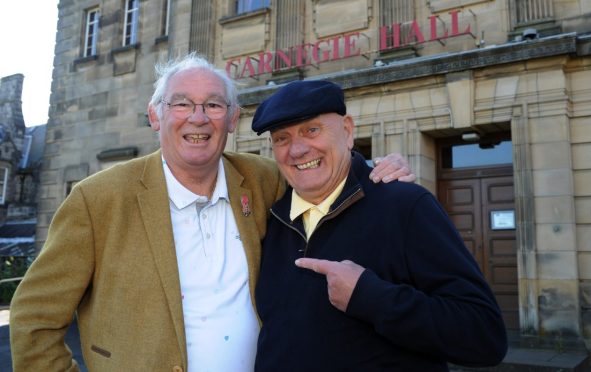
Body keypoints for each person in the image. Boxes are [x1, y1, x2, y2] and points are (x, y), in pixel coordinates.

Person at [9, 53, 413, 372]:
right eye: (181, 103)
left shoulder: (263, 179)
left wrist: (373, 169)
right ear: (155, 115)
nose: (198, 118)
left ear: (233, 120)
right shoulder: (97, 199)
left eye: (214, 105)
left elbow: (324, 172)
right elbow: (33, 317)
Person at [251, 80, 508, 371]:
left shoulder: (405, 205)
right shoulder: (270, 220)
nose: (296, 150)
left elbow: (484, 335)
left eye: (312, 130)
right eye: (282, 138)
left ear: (347, 131)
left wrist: (369, 297)